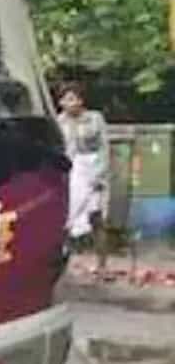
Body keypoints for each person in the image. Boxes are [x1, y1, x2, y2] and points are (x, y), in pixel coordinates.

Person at [58, 83, 109, 246]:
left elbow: (104, 147)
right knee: (69, 213)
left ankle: (101, 258)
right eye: (65, 100)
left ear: (80, 101)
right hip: (72, 172)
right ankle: (67, 251)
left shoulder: (94, 118)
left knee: (96, 215)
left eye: (72, 99)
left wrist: (99, 174)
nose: (68, 104)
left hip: (93, 169)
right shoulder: (60, 122)